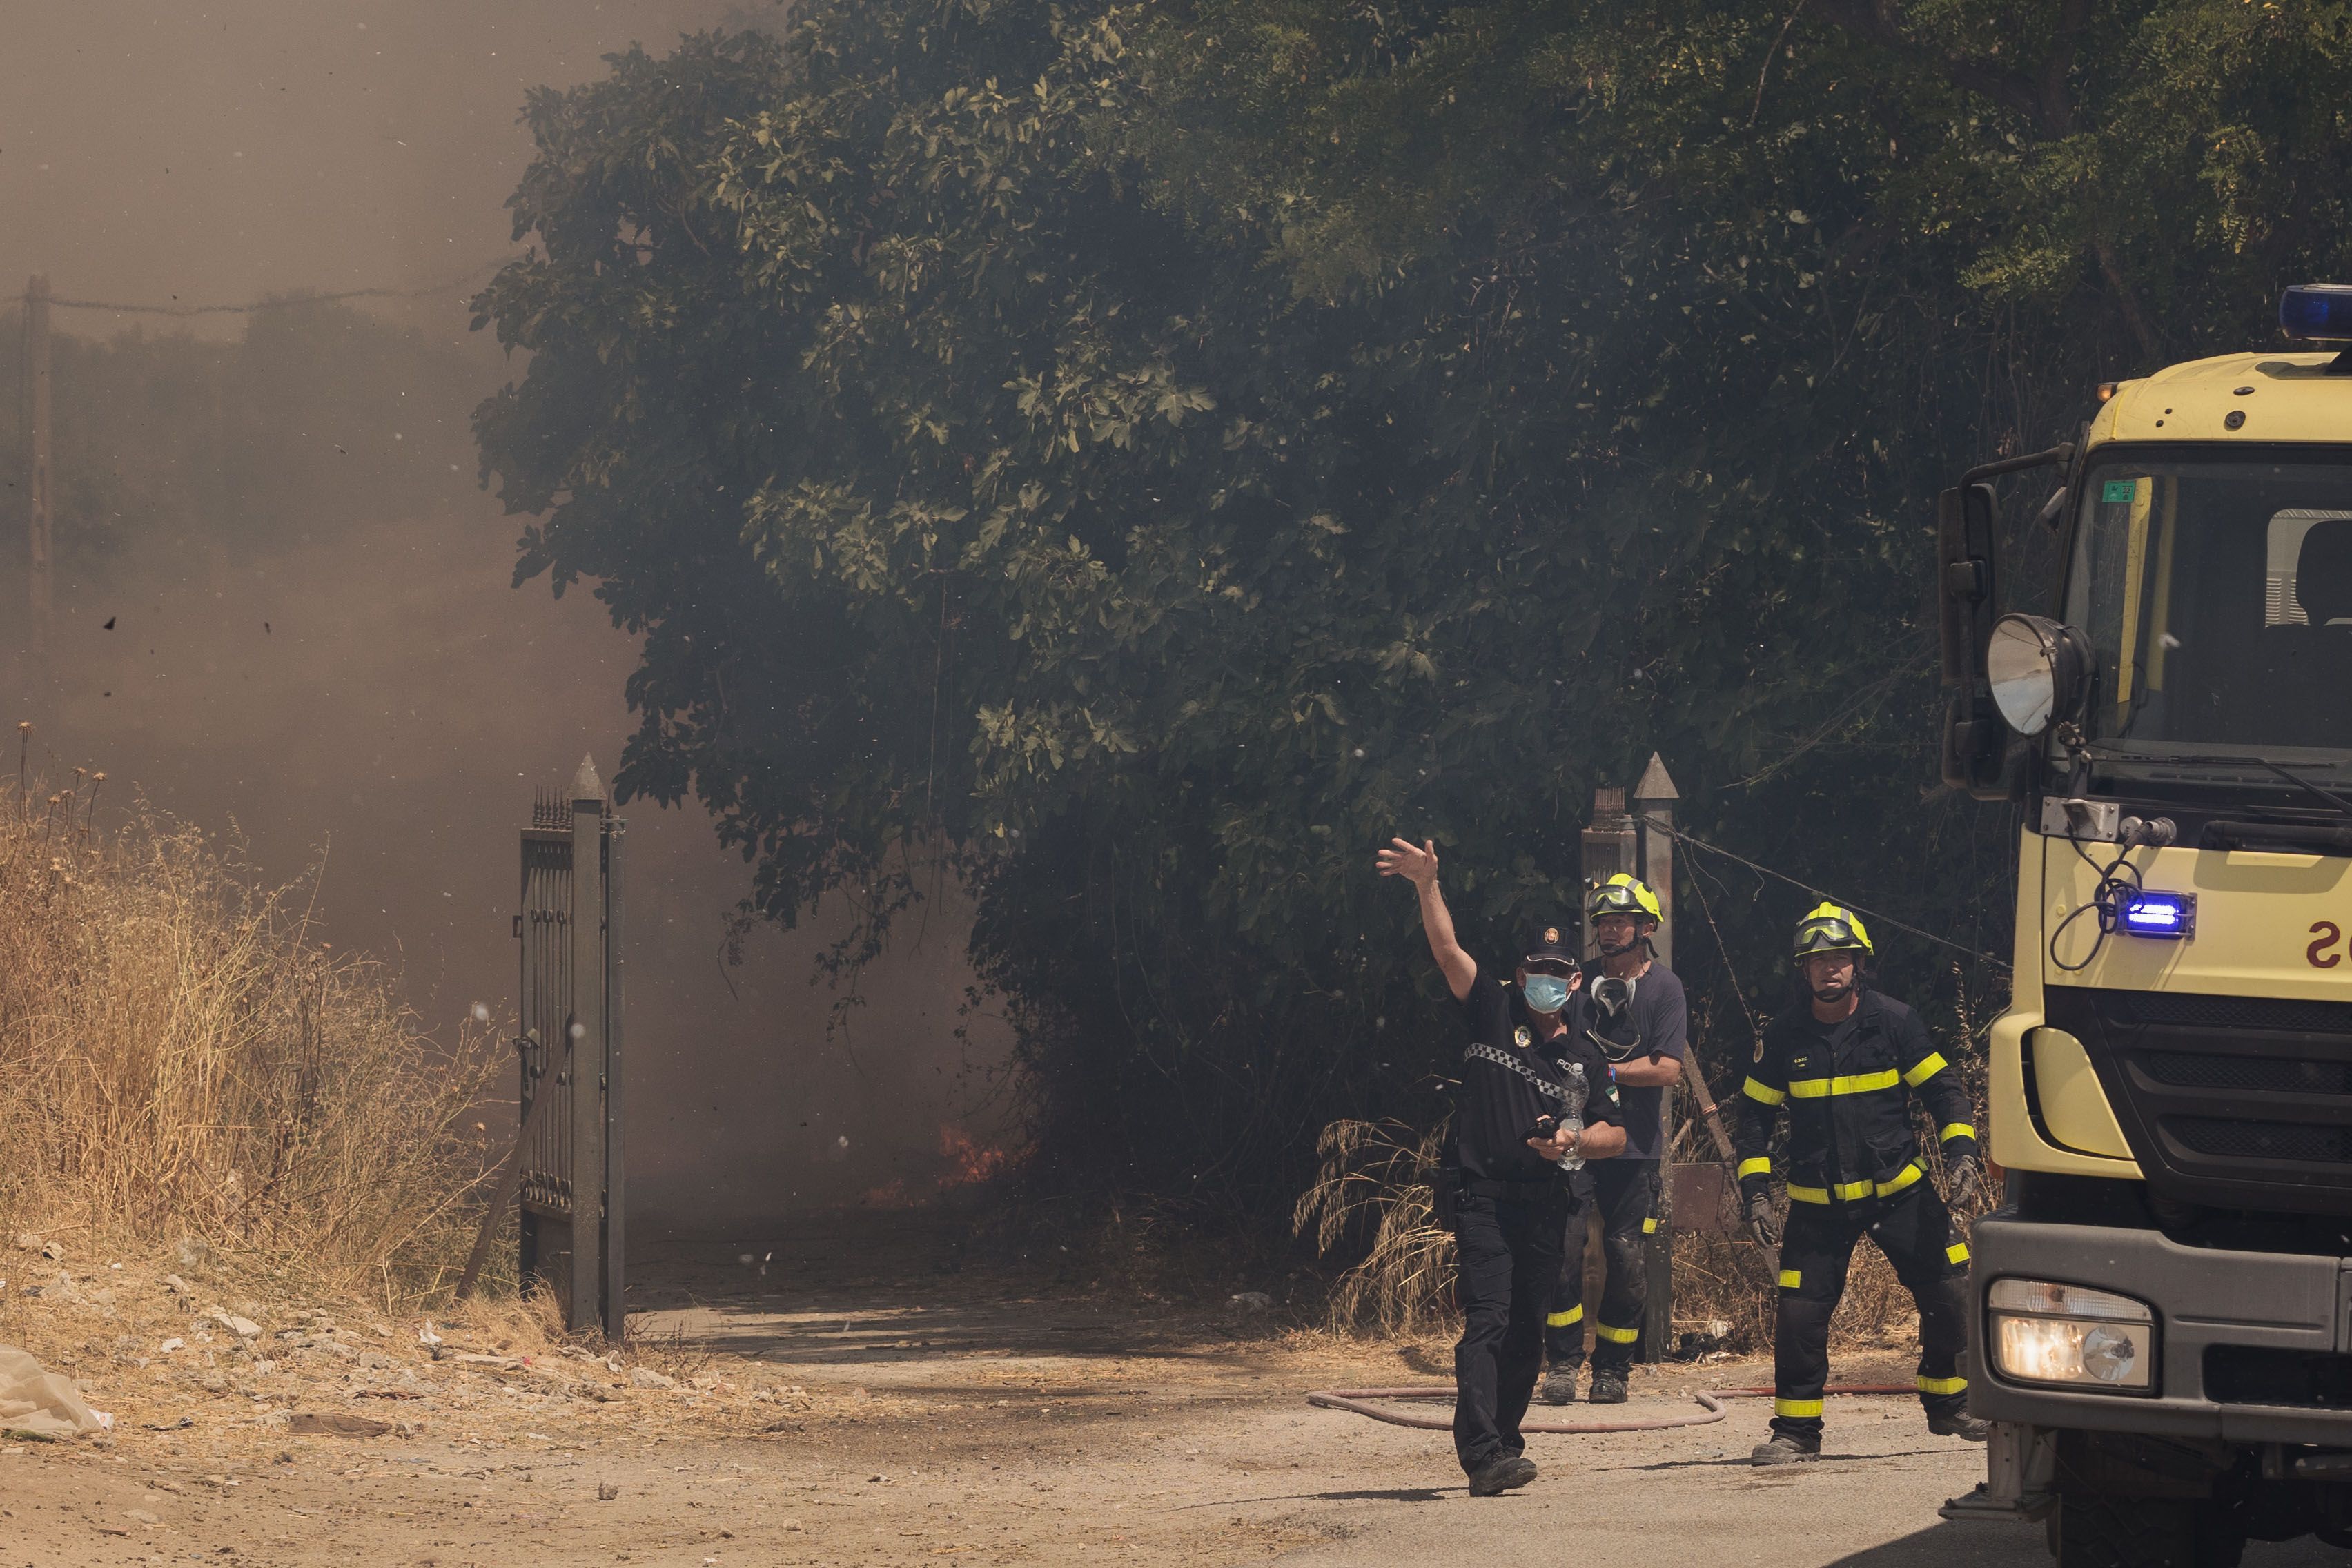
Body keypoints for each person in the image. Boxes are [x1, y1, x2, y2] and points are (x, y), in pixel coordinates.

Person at [1377, 836, 1628, 1497]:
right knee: (1486, 1319)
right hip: (1484, 1197)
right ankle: (1482, 1452)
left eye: (1557, 972)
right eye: (1533, 970)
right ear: (1520, 977)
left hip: (1550, 1200)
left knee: (1527, 1326)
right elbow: (1447, 952)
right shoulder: (1492, 1012)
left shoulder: (1588, 1055)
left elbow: (1617, 1132)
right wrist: (1427, 885)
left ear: (1575, 982)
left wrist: (1575, 1140)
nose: (1544, 982)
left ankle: (1506, 1441)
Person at [1734, 902, 1991, 1464]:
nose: (1830, 969)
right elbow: (1751, 1120)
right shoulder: (1783, 1037)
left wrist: (1962, 1155)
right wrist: (1756, 1192)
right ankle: (1796, 1434)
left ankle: (1949, 1405)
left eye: (1841, 958)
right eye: (1818, 960)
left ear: (1859, 965)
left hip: (1900, 1193)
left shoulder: (1894, 1023)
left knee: (1950, 1293)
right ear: (1803, 970)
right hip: (1816, 1208)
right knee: (1800, 1316)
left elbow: (1944, 1092)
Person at [1541, 873, 1687, 1406]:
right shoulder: (1578, 988)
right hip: (1578, 1141)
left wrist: (1603, 1071)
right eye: (1602, 922)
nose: (1608, 931)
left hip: (1636, 1147)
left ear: (1647, 928)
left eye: (1620, 921)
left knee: (1626, 1255)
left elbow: (1668, 1069)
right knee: (1563, 1248)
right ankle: (1560, 1363)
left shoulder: (1665, 989)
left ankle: (1613, 1370)